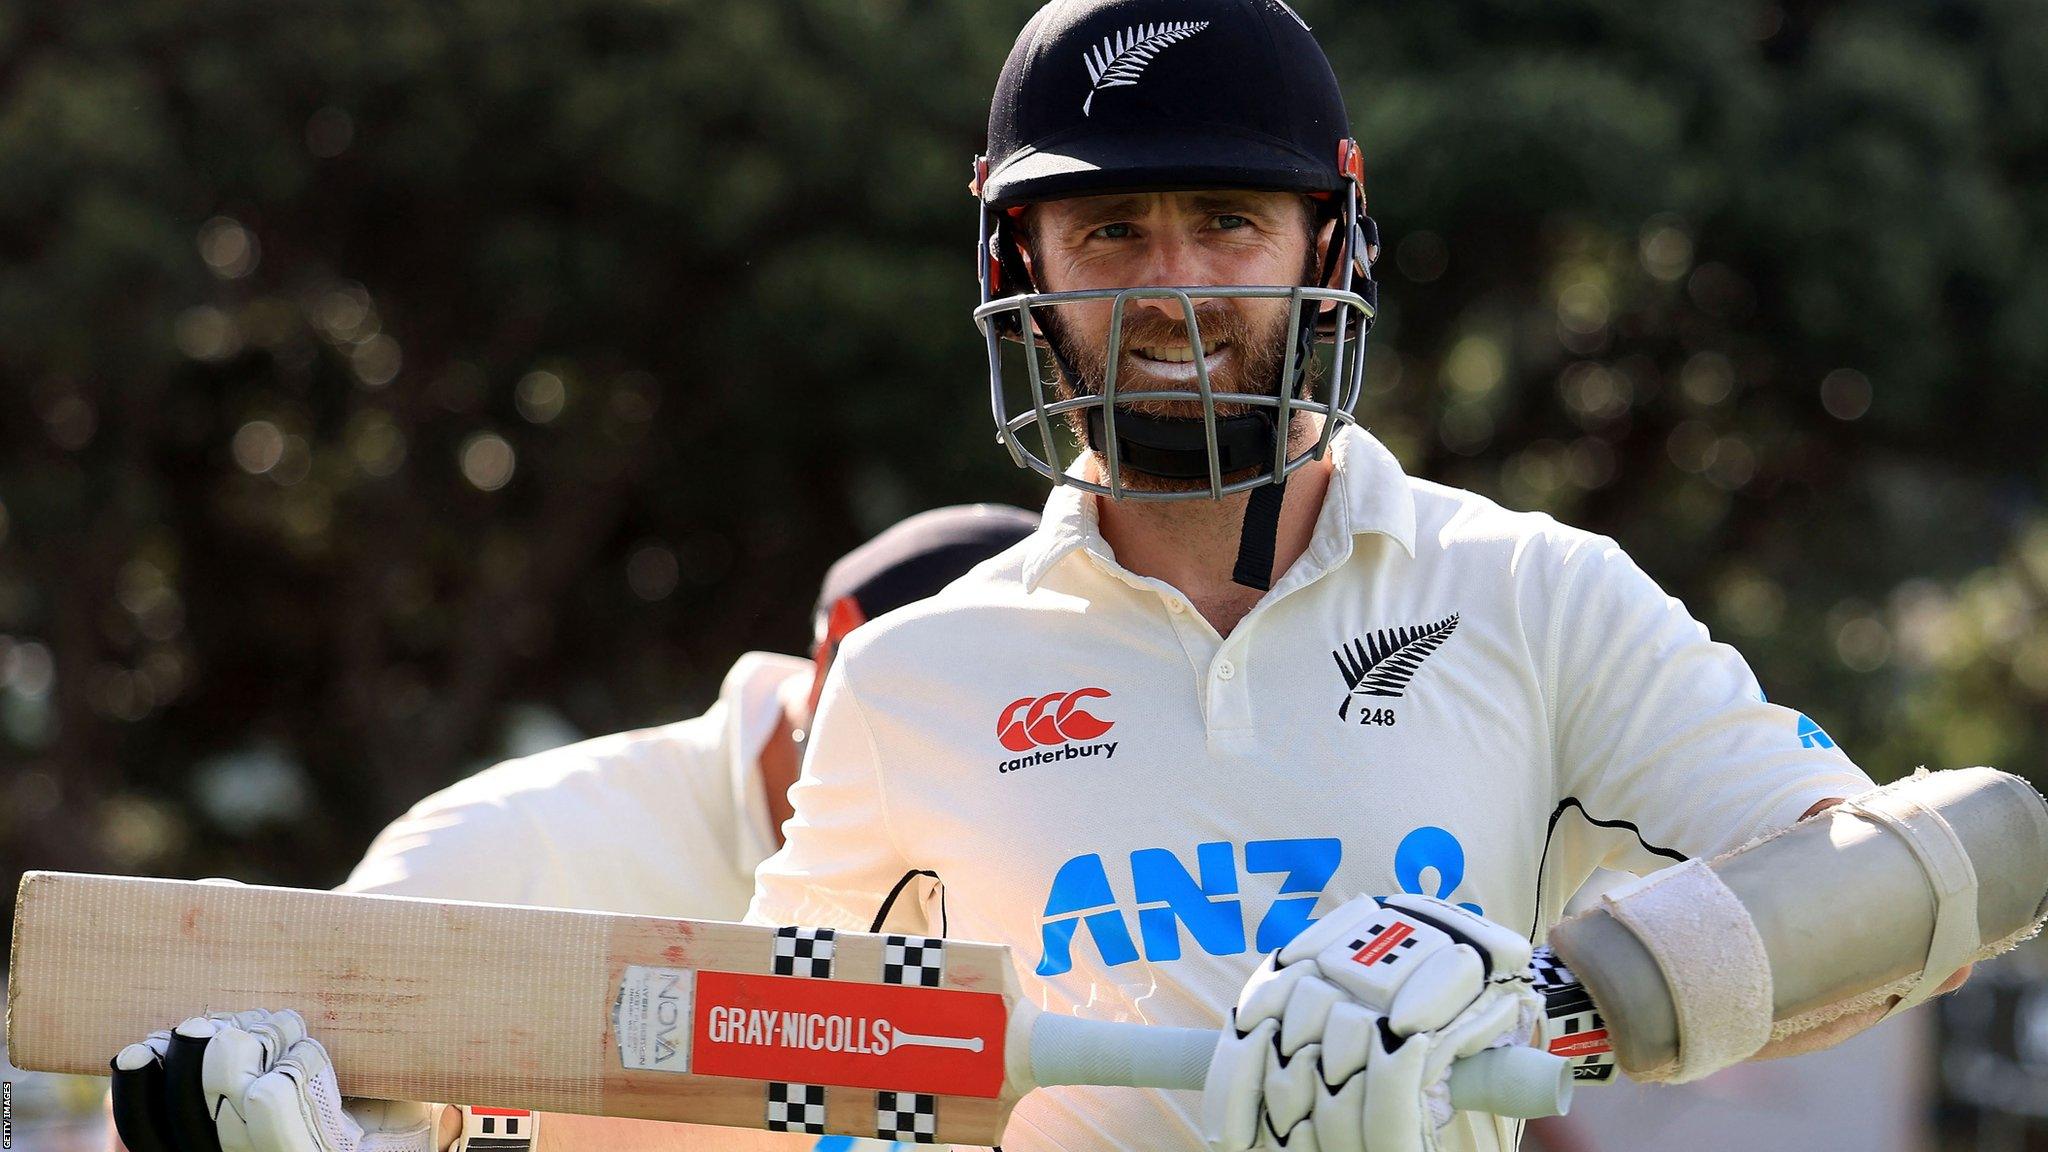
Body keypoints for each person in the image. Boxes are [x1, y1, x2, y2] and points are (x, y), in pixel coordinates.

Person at [749, 1, 1966, 1150]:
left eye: (1228, 219)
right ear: (1023, 264)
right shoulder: (912, 676)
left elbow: (1897, 901)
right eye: (1110, 228)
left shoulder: (1533, 594)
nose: (1173, 291)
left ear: (1327, 240)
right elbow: (747, 1078)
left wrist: (1541, 1005)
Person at [103, 504, 1036, 1152]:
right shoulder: (516, 838)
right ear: (840, 657)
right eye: (944, 711)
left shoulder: (1016, 856)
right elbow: (220, 1068)